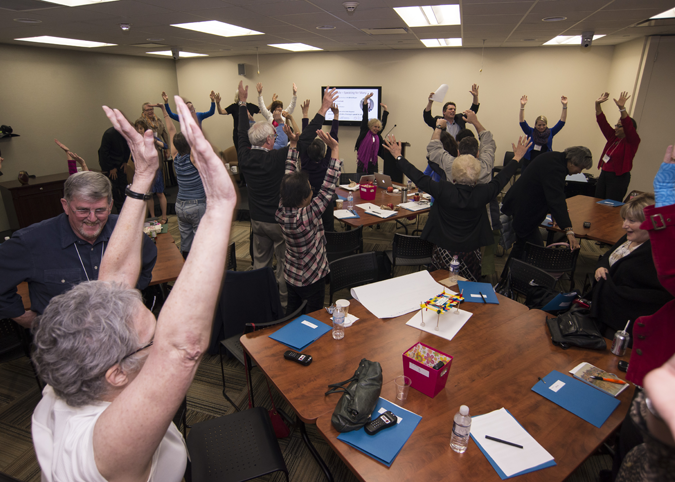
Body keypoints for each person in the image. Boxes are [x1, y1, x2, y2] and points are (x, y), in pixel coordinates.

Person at [31, 96, 237, 482]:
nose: (160, 335)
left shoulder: (67, 382)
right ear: (116, 375)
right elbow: (182, 349)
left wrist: (141, 176)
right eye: (151, 340)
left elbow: (114, 282)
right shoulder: (103, 449)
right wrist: (220, 206)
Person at [0, 171, 157, 328]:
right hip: (63, 343)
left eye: (100, 210)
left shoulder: (128, 231)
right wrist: (24, 318)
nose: (92, 218)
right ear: (65, 205)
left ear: (110, 206)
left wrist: (131, 291)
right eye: (83, 210)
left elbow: (148, 260)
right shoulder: (31, 241)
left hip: (119, 333)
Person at [603, 146, 675, 482]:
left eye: (634, 220)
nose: (627, 225)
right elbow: (607, 259)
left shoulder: (653, 260)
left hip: (626, 338)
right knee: (632, 442)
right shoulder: (633, 244)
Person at [383, 135, 529, 282]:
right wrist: (517, 157)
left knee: (440, 284)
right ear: (477, 177)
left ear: (454, 174)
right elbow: (501, 178)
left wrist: (398, 156)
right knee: (469, 285)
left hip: (443, 250)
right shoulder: (483, 193)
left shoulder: (443, 190)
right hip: (471, 252)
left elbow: (418, 177)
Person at [276, 87, 341, 315]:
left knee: (293, 313)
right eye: (311, 191)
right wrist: (335, 149)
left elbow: (288, 177)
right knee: (315, 316)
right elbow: (330, 184)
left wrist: (293, 146)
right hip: (313, 276)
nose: (314, 191)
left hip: (292, 274)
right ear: (305, 197)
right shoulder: (310, 213)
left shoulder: (283, 210)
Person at [590, 193, 672, 342]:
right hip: (605, 313)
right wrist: (601, 267)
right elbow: (608, 255)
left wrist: (607, 289)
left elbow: (655, 298)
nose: (624, 225)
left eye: (632, 221)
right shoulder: (631, 237)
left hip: (623, 325)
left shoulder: (657, 255)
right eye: (625, 219)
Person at [237, 80, 289, 306]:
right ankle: (285, 303)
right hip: (278, 222)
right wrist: (320, 112)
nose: (276, 140)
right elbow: (304, 141)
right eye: (275, 138)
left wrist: (241, 102)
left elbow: (240, 133)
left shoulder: (244, 157)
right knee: (284, 265)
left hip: (256, 220)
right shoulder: (276, 159)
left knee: (260, 263)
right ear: (269, 140)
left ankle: (259, 302)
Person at [501, 147, 591, 261]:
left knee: (522, 246)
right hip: (524, 209)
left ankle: (509, 276)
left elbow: (550, 192)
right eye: (580, 168)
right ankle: (515, 276)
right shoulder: (557, 168)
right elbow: (556, 199)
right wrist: (569, 230)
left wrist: (553, 212)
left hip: (522, 205)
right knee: (535, 249)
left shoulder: (555, 158)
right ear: (573, 162)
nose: (580, 172)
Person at [158, 104, 205, 258]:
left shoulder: (175, 156)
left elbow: (171, 130)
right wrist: (192, 112)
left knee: (186, 242)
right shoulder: (194, 158)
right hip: (196, 205)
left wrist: (164, 111)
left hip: (180, 205)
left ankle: (184, 268)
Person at [298, 98, 339, 232]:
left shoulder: (304, 163)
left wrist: (305, 115)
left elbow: (305, 138)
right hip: (324, 203)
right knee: (328, 228)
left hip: (307, 201)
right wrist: (336, 116)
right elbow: (333, 138)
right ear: (323, 152)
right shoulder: (326, 164)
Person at [594, 91, 641, 202]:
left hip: (618, 178)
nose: (615, 128)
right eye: (616, 125)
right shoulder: (613, 138)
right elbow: (602, 122)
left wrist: (622, 109)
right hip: (604, 174)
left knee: (610, 206)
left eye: (619, 126)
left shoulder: (632, 141)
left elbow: (628, 124)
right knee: (597, 203)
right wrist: (597, 104)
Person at [518, 95, 567, 170]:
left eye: (544, 125)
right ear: (535, 125)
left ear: (546, 125)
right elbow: (522, 122)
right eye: (539, 125)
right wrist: (522, 106)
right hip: (529, 163)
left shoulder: (551, 132)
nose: (541, 127)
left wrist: (564, 106)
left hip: (545, 163)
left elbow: (562, 122)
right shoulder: (530, 131)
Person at [133, 119, 168, 223]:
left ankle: (164, 217)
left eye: (141, 128)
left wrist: (154, 140)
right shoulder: (136, 141)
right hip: (145, 171)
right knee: (149, 195)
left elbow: (165, 146)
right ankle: (153, 217)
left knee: (160, 193)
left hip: (155, 170)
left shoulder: (151, 137)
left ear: (145, 129)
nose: (139, 130)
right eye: (137, 128)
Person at [98, 126, 130, 213]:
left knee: (124, 186)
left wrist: (125, 162)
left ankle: (126, 209)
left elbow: (128, 148)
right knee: (114, 189)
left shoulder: (126, 132)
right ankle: (119, 211)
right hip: (110, 165)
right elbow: (104, 153)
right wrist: (111, 168)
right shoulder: (109, 134)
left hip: (121, 164)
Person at [355, 93, 388, 174]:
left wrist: (385, 111)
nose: (376, 129)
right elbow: (365, 116)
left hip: (373, 164)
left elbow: (383, 122)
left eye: (378, 127)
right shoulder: (364, 131)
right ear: (370, 126)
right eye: (375, 126)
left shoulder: (377, 136)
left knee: (373, 182)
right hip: (362, 162)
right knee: (360, 181)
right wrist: (365, 100)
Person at [257, 82, 297, 150]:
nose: (280, 108)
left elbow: (292, 106)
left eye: (281, 107)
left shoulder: (284, 114)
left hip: (283, 142)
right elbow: (262, 107)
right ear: (274, 108)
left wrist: (294, 94)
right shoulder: (269, 115)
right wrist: (259, 94)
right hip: (272, 142)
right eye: (278, 107)